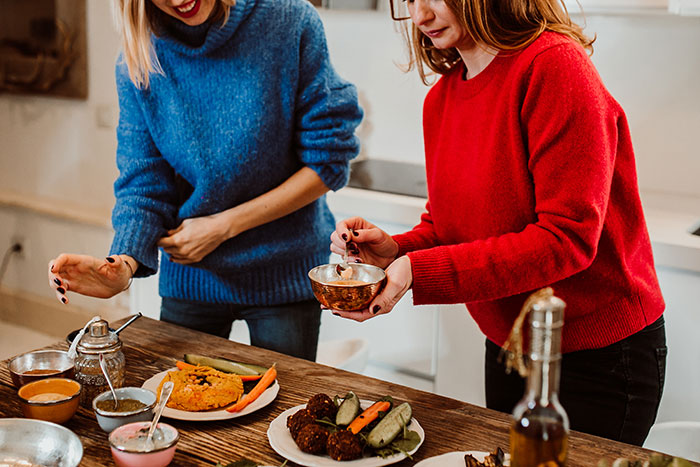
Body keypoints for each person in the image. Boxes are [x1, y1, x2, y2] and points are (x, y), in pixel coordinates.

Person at [329, 0, 666, 445]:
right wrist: (396, 251)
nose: (419, 15)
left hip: (598, 357)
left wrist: (417, 272)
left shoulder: (554, 67)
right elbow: (451, 227)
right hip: (509, 348)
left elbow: (567, 239)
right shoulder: (441, 100)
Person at [47, 0, 363, 362]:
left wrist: (223, 226)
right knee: (181, 410)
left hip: (282, 272)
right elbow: (144, 184)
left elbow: (327, 161)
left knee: (285, 410)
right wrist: (124, 264)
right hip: (192, 277)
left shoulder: (288, 20)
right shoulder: (140, 56)